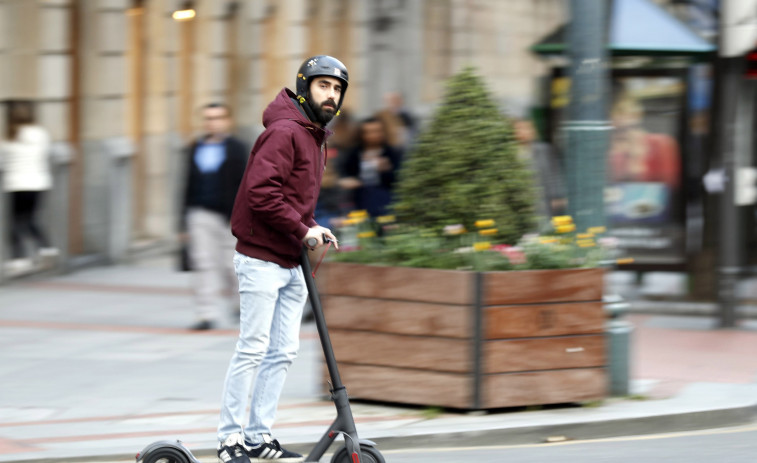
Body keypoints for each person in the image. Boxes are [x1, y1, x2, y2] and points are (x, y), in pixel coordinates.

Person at [217, 55, 346, 463]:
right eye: (323, 85)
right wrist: (301, 228)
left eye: (338, 88)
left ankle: (258, 437)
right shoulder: (286, 132)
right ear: (305, 86)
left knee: (283, 352)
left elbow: (293, 198)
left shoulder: (314, 135)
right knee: (252, 349)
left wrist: (313, 226)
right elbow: (261, 193)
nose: (331, 94)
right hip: (260, 259)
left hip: (292, 260)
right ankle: (229, 440)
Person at [180, 103, 248, 331]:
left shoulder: (237, 148)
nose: (213, 122)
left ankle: (240, 304)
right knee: (203, 263)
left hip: (229, 217)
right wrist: (182, 222)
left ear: (227, 121)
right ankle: (205, 314)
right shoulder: (195, 147)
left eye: (218, 117)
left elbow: (246, 185)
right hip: (199, 213)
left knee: (232, 265)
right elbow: (186, 185)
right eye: (208, 118)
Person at [2, 100, 56, 273]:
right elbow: (47, 153)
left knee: (15, 222)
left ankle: (19, 259)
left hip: (16, 184)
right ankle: (46, 249)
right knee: (31, 219)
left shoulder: (9, 137)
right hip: (39, 183)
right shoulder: (41, 134)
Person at [338, 116, 402, 218]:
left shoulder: (392, 153)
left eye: (377, 131)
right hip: (359, 200)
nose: (374, 135)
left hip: (386, 199)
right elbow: (345, 175)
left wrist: (386, 171)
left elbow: (398, 179)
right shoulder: (354, 154)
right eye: (369, 132)